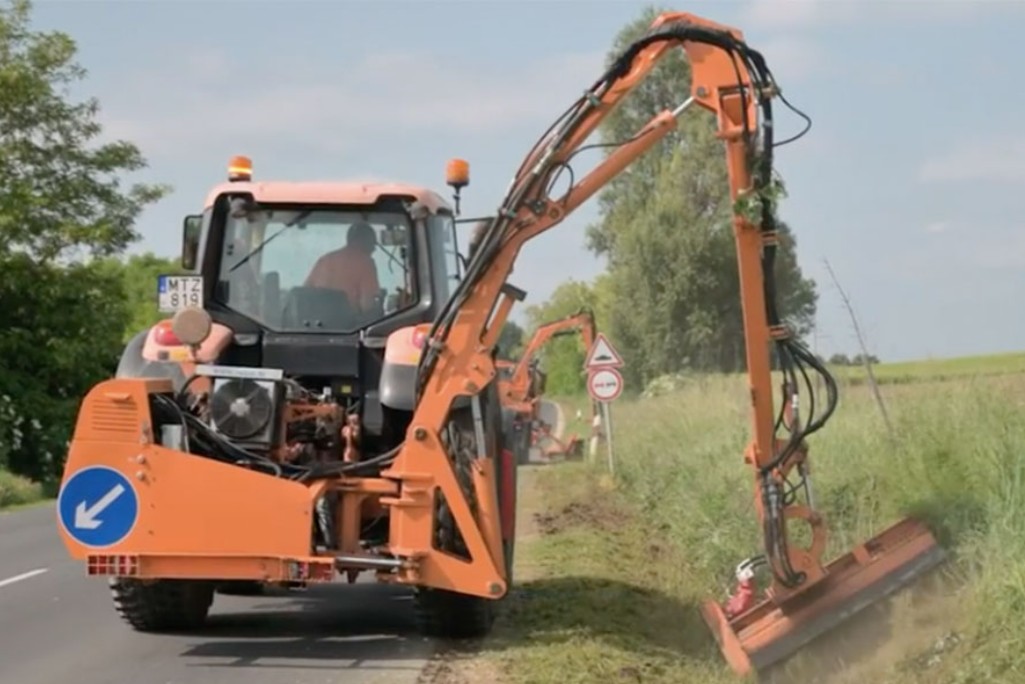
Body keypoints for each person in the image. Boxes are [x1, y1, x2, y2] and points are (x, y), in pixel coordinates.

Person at [304, 220, 381, 313]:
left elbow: (305, 293)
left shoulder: (325, 260)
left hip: (318, 324)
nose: (374, 249)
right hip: (350, 325)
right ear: (365, 241)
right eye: (373, 243)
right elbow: (367, 305)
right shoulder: (366, 263)